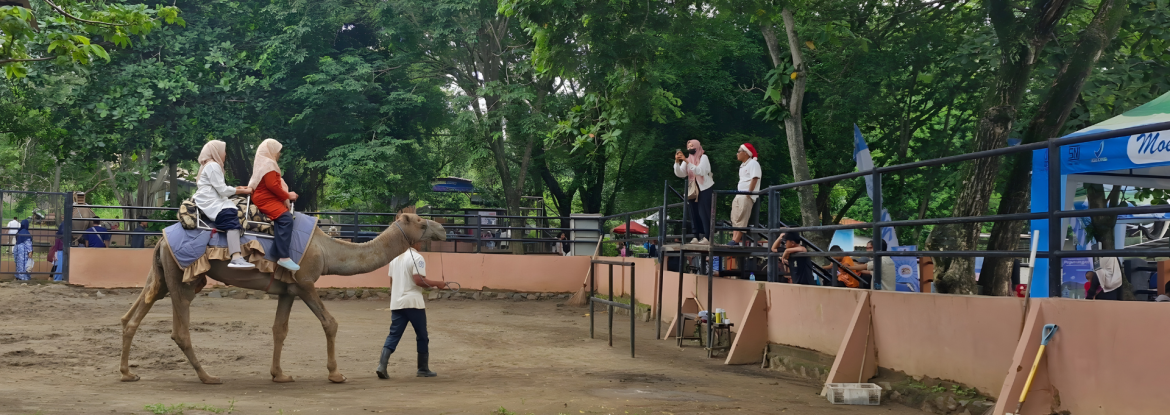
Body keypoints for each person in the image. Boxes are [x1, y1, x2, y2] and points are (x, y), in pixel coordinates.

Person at [376, 235, 448, 379]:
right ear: (415, 243)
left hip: (397, 302)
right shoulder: (417, 258)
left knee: (394, 335)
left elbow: (392, 281)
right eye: (420, 241)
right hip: (413, 303)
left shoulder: (395, 258)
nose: (421, 244)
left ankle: (382, 366)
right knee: (422, 335)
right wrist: (437, 284)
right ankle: (422, 368)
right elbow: (419, 280)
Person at [196, 140, 256, 269]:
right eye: (223, 151)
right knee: (230, 218)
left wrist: (237, 188)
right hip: (211, 202)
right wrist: (242, 191)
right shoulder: (213, 166)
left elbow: (218, 187)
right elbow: (222, 190)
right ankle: (236, 257)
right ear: (216, 152)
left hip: (211, 199)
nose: (225, 154)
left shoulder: (209, 165)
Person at [249, 138, 300, 271]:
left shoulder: (262, 162)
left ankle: (275, 251)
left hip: (265, 196)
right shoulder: (269, 164)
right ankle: (283, 257)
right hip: (265, 198)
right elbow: (273, 186)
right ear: (271, 150)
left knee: (281, 217)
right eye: (278, 151)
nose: (279, 154)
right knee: (286, 219)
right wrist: (288, 196)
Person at [673, 139, 713, 244]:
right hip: (692, 189)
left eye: (692, 146)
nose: (690, 148)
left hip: (704, 188)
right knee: (693, 212)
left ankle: (707, 237)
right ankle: (696, 236)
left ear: (697, 146)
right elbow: (681, 174)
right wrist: (677, 162)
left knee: (704, 212)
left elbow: (700, 171)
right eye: (688, 146)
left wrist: (687, 162)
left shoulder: (703, 157)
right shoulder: (688, 159)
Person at [729, 143, 761, 246]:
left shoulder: (753, 163)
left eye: (739, 151)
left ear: (746, 153)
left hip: (746, 194)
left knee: (742, 216)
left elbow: (754, 178)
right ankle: (733, 239)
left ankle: (736, 240)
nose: (737, 153)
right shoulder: (742, 166)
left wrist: (749, 192)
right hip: (739, 194)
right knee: (734, 217)